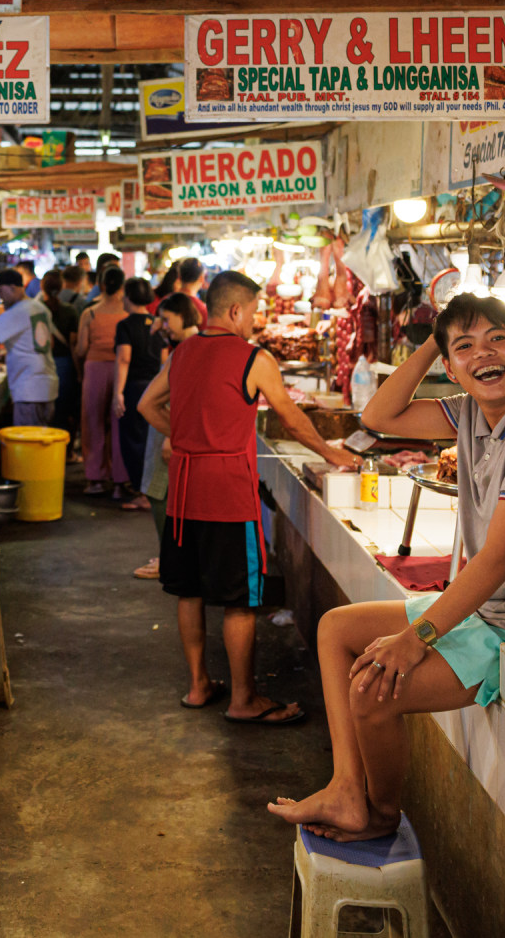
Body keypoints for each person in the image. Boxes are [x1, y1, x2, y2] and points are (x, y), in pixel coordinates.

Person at [268, 293, 505, 841]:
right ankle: (348, 789)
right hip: (490, 614)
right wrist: (435, 337)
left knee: (371, 696)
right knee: (335, 629)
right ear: (448, 367)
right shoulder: (470, 412)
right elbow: (377, 416)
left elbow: (497, 558)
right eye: (465, 348)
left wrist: (417, 636)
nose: (484, 355)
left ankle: (379, 816)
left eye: (497, 340)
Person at [138, 271, 356, 725]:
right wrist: (332, 452)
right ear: (236, 310)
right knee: (239, 600)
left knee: (190, 591)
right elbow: (293, 420)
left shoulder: (182, 353)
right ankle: (243, 699)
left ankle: (198, 687)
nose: (255, 321)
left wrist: (183, 438)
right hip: (227, 494)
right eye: (254, 312)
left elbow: (145, 405)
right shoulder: (252, 358)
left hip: (182, 492)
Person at [131, 291, 201, 580]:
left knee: (160, 494)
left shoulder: (190, 348)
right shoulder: (182, 346)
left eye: (166, 318)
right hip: (166, 427)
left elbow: (189, 398)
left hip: (170, 429)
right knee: (160, 492)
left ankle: (169, 559)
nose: (162, 324)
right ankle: (169, 554)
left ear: (183, 315)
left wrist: (173, 436)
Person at [75, 266, 130, 497]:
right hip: (122, 371)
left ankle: (95, 479)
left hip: (95, 369)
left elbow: (80, 349)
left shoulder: (91, 313)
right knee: (120, 425)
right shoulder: (128, 314)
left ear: (102, 285)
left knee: (93, 423)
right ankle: (120, 482)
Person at [0, 268, 58, 429]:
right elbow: (49, 342)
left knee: (28, 446)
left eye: (0, 290)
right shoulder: (40, 308)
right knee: (40, 445)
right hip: (47, 385)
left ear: (13, 287)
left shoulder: (19, 311)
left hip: (29, 389)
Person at [113, 277, 163, 513]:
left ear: (130, 297)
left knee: (133, 442)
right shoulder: (158, 323)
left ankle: (143, 494)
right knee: (151, 442)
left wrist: (118, 393)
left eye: (124, 294)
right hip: (155, 388)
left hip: (134, 388)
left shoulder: (125, 326)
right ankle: (149, 492)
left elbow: (124, 359)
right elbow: (164, 361)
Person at [40, 269, 82, 437]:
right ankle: (64, 449)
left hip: (43, 363)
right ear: (62, 286)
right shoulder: (70, 310)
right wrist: (79, 372)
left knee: (45, 405)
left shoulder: (38, 310)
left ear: (42, 287)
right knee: (63, 408)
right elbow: (73, 344)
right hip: (65, 364)